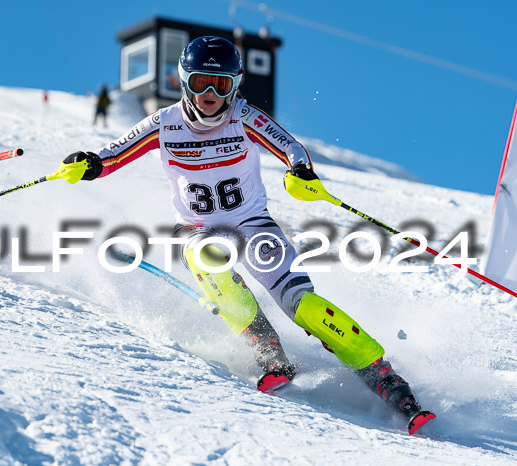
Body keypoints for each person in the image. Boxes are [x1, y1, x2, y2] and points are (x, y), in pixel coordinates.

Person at [61, 36, 434, 433]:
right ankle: (268, 351)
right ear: (185, 81)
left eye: (220, 85)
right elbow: (114, 153)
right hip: (197, 229)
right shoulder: (164, 123)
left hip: (254, 225)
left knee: (304, 306)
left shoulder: (244, 116)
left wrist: (299, 172)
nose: (209, 94)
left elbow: (290, 147)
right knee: (210, 264)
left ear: (234, 85)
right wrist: (88, 163)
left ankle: (386, 379)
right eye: (201, 82)